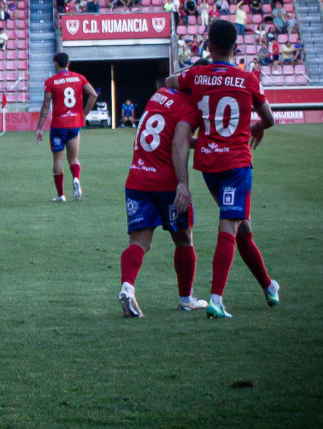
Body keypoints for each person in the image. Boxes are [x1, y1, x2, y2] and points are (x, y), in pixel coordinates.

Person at [164, 20, 278, 318]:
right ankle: (216, 298)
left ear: (208, 45)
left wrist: (187, 79)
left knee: (243, 228)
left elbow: (169, 81)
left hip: (208, 166)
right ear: (236, 48)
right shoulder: (249, 79)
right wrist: (257, 125)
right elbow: (269, 119)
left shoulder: (197, 76)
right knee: (230, 225)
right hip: (236, 164)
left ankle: (268, 286)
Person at [117, 85, 208, 317]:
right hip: (166, 182)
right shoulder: (190, 108)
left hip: (137, 177)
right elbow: (178, 142)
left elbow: (167, 133)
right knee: (184, 239)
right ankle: (186, 300)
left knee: (138, 243)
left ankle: (127, 287)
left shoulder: (160, 94)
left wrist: (195, 141)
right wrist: (183, 184)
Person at [35, 52, 97, 202]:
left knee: (58, 160)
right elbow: (93, 94)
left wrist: (39, 128)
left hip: (58, 126)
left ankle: (61, 195)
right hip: (74, 125)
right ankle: (76, 178)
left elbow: (45, 106)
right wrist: (84, 114)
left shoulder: (51, 82)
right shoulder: (79, 78)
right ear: (68, 63)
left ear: (55, 63)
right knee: (73, 158)